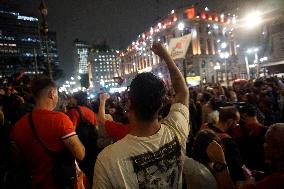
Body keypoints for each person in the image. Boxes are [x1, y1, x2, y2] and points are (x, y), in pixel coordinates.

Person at [93, 42, 189, 188]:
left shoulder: (108, 160)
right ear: (161, 105)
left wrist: (102, 101)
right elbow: (182, 92)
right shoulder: (176, 131)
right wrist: (166, 56)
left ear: (128, 105)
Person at [10, 77, 85, 189]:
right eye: (57, 93)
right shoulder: (60, 119)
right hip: (61, 184)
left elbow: (16, 160)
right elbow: (80, 154)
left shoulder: (18, 126)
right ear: (51, 93)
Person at [206, 123, 284, 189]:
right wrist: (262, 176)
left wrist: (219, 162)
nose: (263, 145)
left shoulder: (277, 180)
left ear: (277, 149)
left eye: (266, 141)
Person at [200, 106, 246, 183]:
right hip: (218, 178)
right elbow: (236, 167)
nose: (236, 125)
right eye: (236, 122)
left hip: (202, 173)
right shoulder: (227, 141)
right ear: (230, 121)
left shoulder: (204, 127)